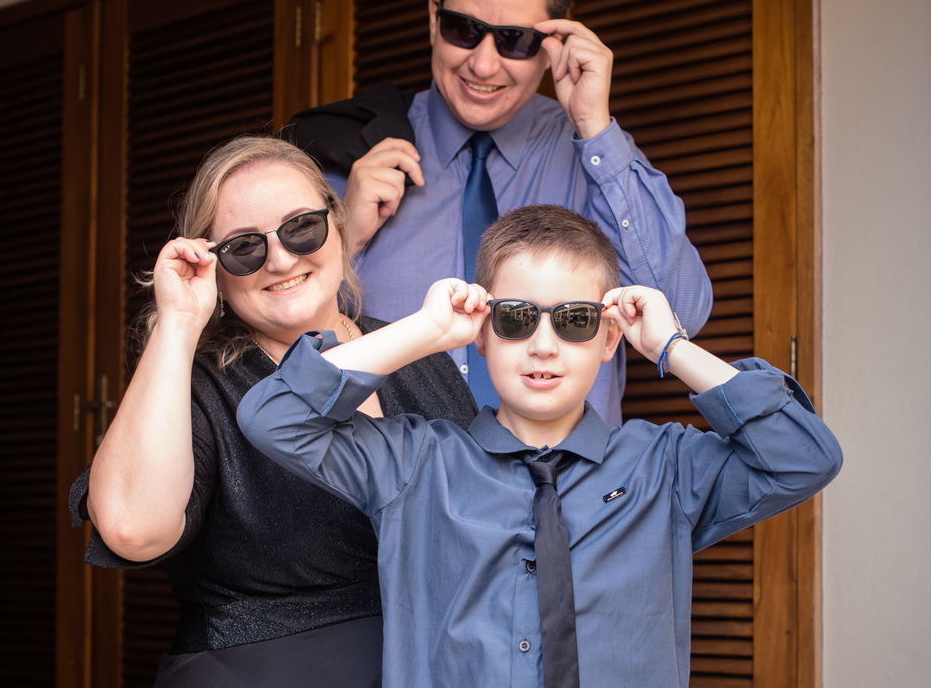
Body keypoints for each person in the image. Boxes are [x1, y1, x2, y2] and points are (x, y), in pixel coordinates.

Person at [238, 205, 841, 688]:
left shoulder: (668, 469)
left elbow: (805, 456)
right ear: (482, 335)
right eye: (517, 318)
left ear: (608, 339)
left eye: (575, 320)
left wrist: (670, 346)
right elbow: (272, 416)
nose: (545, 346)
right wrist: (425, 331)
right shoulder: (413, 464)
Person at [68, 136, 476, 687]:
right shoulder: (199, 381)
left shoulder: (419, 353)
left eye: (300, 227)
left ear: (337, 221)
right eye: (243, 247)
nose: (281, 259)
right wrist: (179, 323)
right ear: (213, 265)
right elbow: (131, 529)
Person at [284, 0, 713, 426]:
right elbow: (280, 345)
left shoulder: (595, 158)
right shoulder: (346, 157)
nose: (483, 65)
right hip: (393, 491)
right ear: (433, 17)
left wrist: (596, 127)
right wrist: (345, 237)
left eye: (514, 40)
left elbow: (684, 313)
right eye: (464, 30)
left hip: (566, 494)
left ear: (554, 43)